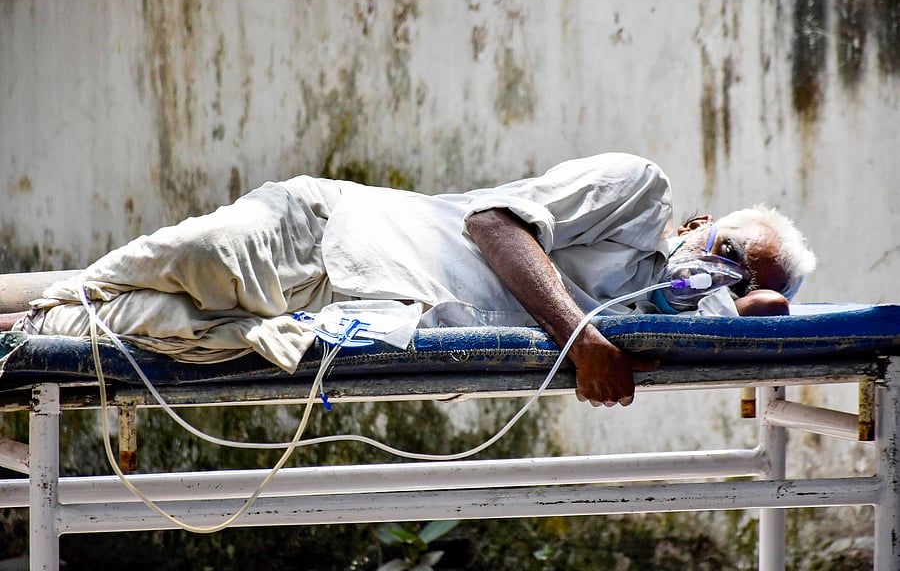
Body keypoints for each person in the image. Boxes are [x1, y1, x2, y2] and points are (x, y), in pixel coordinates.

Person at [0, 152, 816, 407]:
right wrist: (581, 339)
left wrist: (754, 293)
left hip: (353, 313)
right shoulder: (639, 192)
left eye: (736, 274)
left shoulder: (661, 315)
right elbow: (495, 225)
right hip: (327, 233)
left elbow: (761, 314)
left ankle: (17, 329)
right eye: (728, 247)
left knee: (136, 324)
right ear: (694, 225)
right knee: (181, 266)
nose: (721, 269)